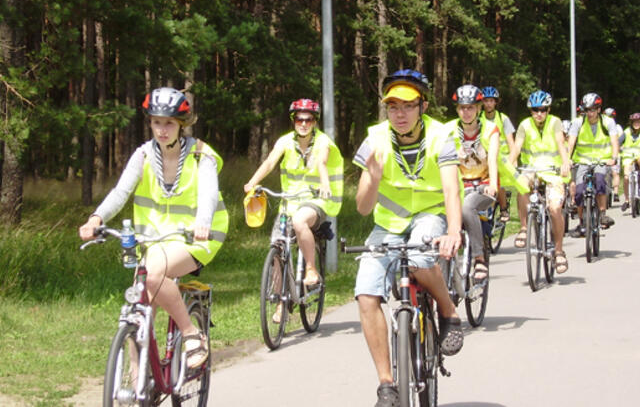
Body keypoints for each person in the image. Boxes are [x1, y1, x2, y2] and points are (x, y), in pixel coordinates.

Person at [79, 87, 229, 369]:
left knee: (153, 276)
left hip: (196, 237)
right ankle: (139, 388)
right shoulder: (144, 155)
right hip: (154, 238)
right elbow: (121, 191)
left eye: (169, 123)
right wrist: (97, 218)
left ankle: (191, 334)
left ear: (181, 125)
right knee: (138, 311)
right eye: (156, 122)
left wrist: (203, 223)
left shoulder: (201, 155)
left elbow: (209, 193)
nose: (162, 130)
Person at [352, 69, 463, 407]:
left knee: (420, 258)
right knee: (366, 293)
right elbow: (361, 208)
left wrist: (453, 231)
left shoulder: (442, 136)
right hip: (387, 224)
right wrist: (372, 179)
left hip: (430, 215)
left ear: (422, 107)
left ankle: (448, 312)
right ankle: (387, 385)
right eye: (392, 107)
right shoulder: (375, 139)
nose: (399, 114)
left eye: (408, 106)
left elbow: (449, 189)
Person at [244, 98, 343, 322]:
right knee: (277, 250)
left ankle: (311, 269)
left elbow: (323, 163)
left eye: (309, 120)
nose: (304, 124)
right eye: (299, 119)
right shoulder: (285, 141)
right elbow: (270, 162)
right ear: (293, 120)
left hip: (316, 200)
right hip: (289, 201)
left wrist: (325, 184)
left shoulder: (323, 142)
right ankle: (281, 303)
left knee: (300, 222)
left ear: (315, 122)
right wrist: (252, 182)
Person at [509, 90, 571, 273]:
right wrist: (510, 165)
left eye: (543, 110)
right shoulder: (524, 125)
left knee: (554, 208)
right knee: (521, 185)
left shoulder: (555, 122)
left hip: (553, 172)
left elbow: (561, 144)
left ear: (548, 109)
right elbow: (517, 148)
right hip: (531, 170)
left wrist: (566, 162)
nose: (539, 114)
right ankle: (523, 228)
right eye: (535, 110)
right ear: (530, 111)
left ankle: (559, 251)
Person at [448, 85, 499, 281]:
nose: (466, 112)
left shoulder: (489, 129)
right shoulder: (449, 130)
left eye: (470, 107)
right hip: (459, 185)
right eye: (462, 108)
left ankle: (479, 258)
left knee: (468, 207)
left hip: (482, 184)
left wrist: (492, 184)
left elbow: (493, 159)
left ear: (478, 108)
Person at [567, 93, 620, 237]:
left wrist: (614, 157)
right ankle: (582, 222)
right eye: (587, 110)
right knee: (578, 192)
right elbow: (571, 142)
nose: (589, 113)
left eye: (592, 109)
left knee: (600, 181)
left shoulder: (608, 122)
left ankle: (602, 214)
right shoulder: (578, 122)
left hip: (601, 160)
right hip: (582, 161)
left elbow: (614, 141)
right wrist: (568, 159)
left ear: (598, 109)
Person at [479, 86, 521, 222]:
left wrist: (511, 161)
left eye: (491, 101)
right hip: (483, 157)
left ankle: (503, 209)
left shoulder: (503, 119)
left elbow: (511, 143)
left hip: (501, 157)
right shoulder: (478, 118)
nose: (488, 104)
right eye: (486, 101)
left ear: (496, 102)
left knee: (497, 183)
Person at [620, 113, 640, 211]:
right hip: (627, 156)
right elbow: (619, 142)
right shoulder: (626, 132)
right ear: (631, 123)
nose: (637, 123)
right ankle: (627, 200)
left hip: (639, 156)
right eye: (635, 122)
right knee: (626, 176)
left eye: (638, 122)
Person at [604, 107, 623, 201]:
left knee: (615, 173)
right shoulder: (602, 126)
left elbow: (620, 141)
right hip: (604, 153)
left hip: (615, 153)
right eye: (608, 116)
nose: (609, 118)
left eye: (611, 116)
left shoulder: (617, 127)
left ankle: (615, 192)